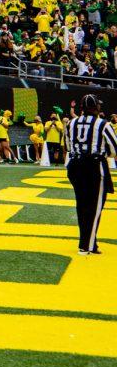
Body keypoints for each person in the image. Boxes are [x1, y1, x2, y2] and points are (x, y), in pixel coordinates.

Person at [65, 94, 117, 255]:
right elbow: (114, 149)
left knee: (82, 205)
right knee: (95, 207)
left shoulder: (71, 123)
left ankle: (89, 242)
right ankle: (87, 245)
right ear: (96, 108)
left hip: (74, 165)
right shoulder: (103, 124)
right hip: (94, 165)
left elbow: (67, 146)